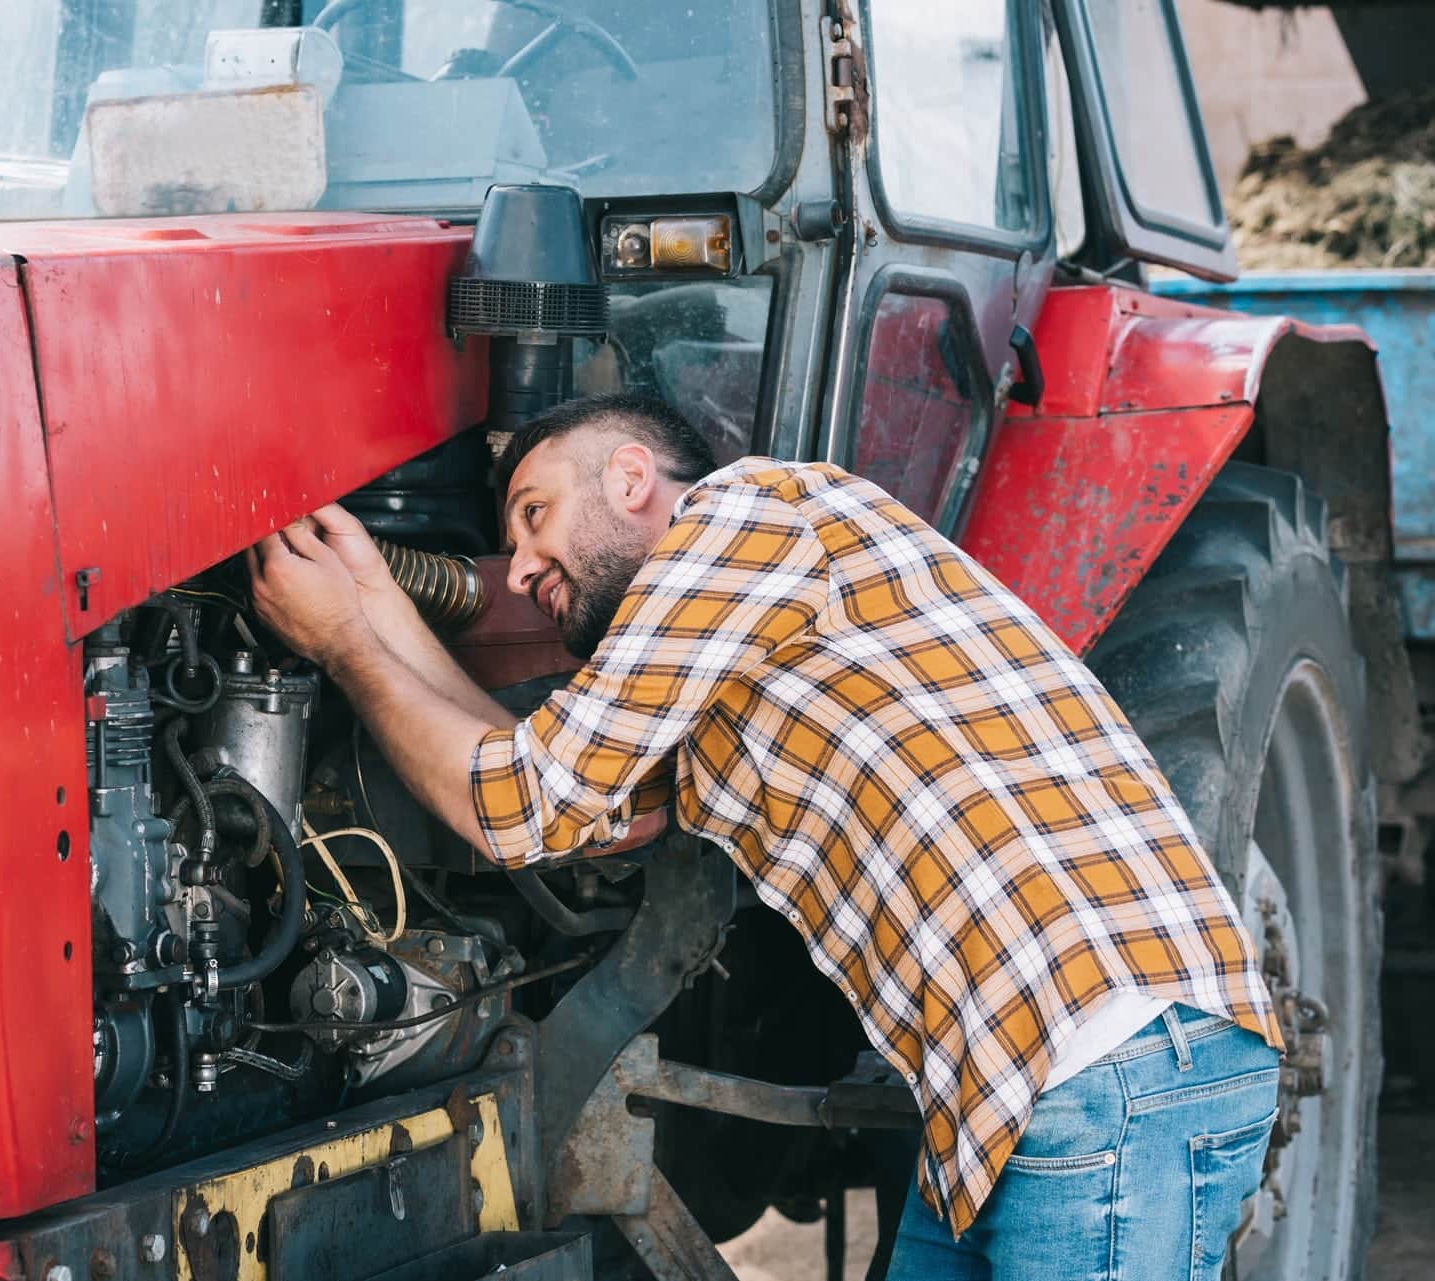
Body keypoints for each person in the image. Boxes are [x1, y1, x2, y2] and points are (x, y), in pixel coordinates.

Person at [246, 393, 1283, 1279]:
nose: (517, 570)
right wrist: (375, 602)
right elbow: (526, 779)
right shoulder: (729, 672)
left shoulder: (750, 518)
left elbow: (520, 803)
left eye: (534, 514)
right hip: (1009, 1099)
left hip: (1105, 1073)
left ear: (632, 474)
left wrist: (345, 640)